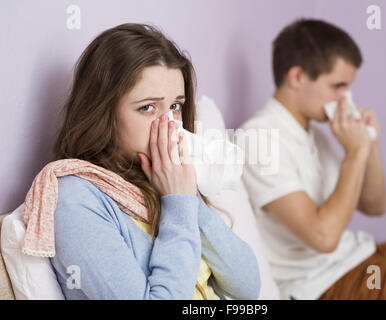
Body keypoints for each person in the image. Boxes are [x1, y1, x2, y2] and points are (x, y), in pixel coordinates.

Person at [40, 23, 260, 300]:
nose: (169, 124)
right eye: (148, 107)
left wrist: (187, 196)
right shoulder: (77, 199)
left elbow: (248, 287)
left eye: (176, 106)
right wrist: (179, 203)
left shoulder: (164, 179)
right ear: (103, 113)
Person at [240, 18, 386, 299]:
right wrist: (355, 152)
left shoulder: (315, 133)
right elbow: (323, 238)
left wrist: (369, 143)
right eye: (337, 86)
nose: (344, 99)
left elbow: (375, 205)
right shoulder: (259, 139)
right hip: (325, 282)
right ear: (298, 77)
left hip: (358, 255)